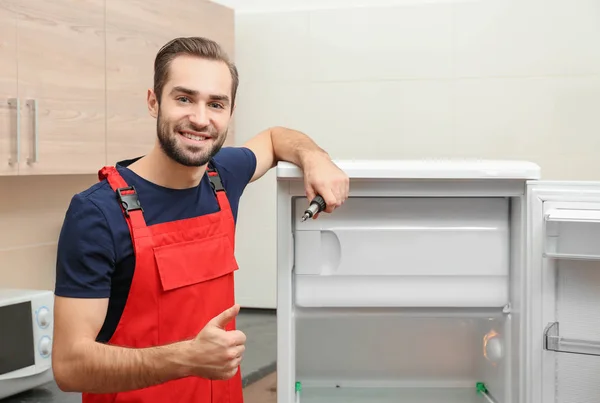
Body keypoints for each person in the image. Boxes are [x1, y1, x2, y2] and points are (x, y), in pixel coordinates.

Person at [51, 36, 349, 403]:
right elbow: (69, 366)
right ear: (153, 102)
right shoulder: (97, 213)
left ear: (229, 112)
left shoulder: (223, 176)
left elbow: (275, 139)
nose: (200, 118)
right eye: (184, 98)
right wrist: (186, 358)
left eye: (216, 104)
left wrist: (316, 158)